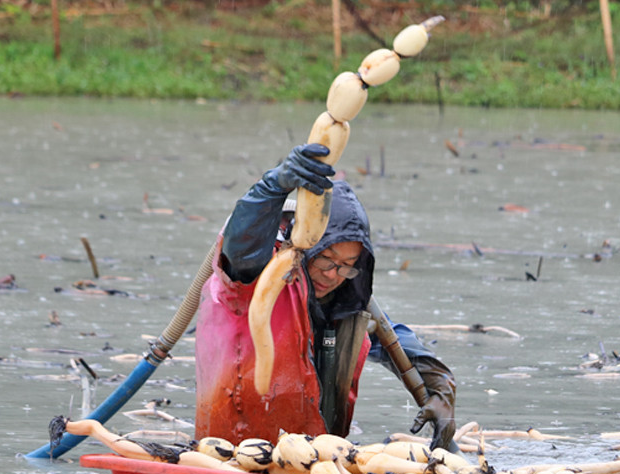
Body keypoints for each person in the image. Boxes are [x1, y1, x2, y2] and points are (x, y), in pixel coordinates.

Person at [195, 143, 457, 450]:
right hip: (231, 451)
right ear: (307, 247)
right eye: (327, 260)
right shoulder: (254, 275)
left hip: (315, 461)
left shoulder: (346, 296)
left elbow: (392, 339)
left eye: (347, 266)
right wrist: (272, 186)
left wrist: (440, 385)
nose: (333, 275)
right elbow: (243, 241)